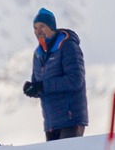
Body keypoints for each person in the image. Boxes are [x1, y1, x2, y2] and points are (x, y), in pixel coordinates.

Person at [24, 9, 88, 140]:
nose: (38, 31)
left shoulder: (68, 46)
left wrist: (42, 86)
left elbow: (75, 80)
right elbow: (39, 85)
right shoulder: (38, 53)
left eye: (42, 26)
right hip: (51, 122)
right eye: (35, 27)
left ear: (52, 27)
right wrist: (32, 89)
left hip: (71, 120)